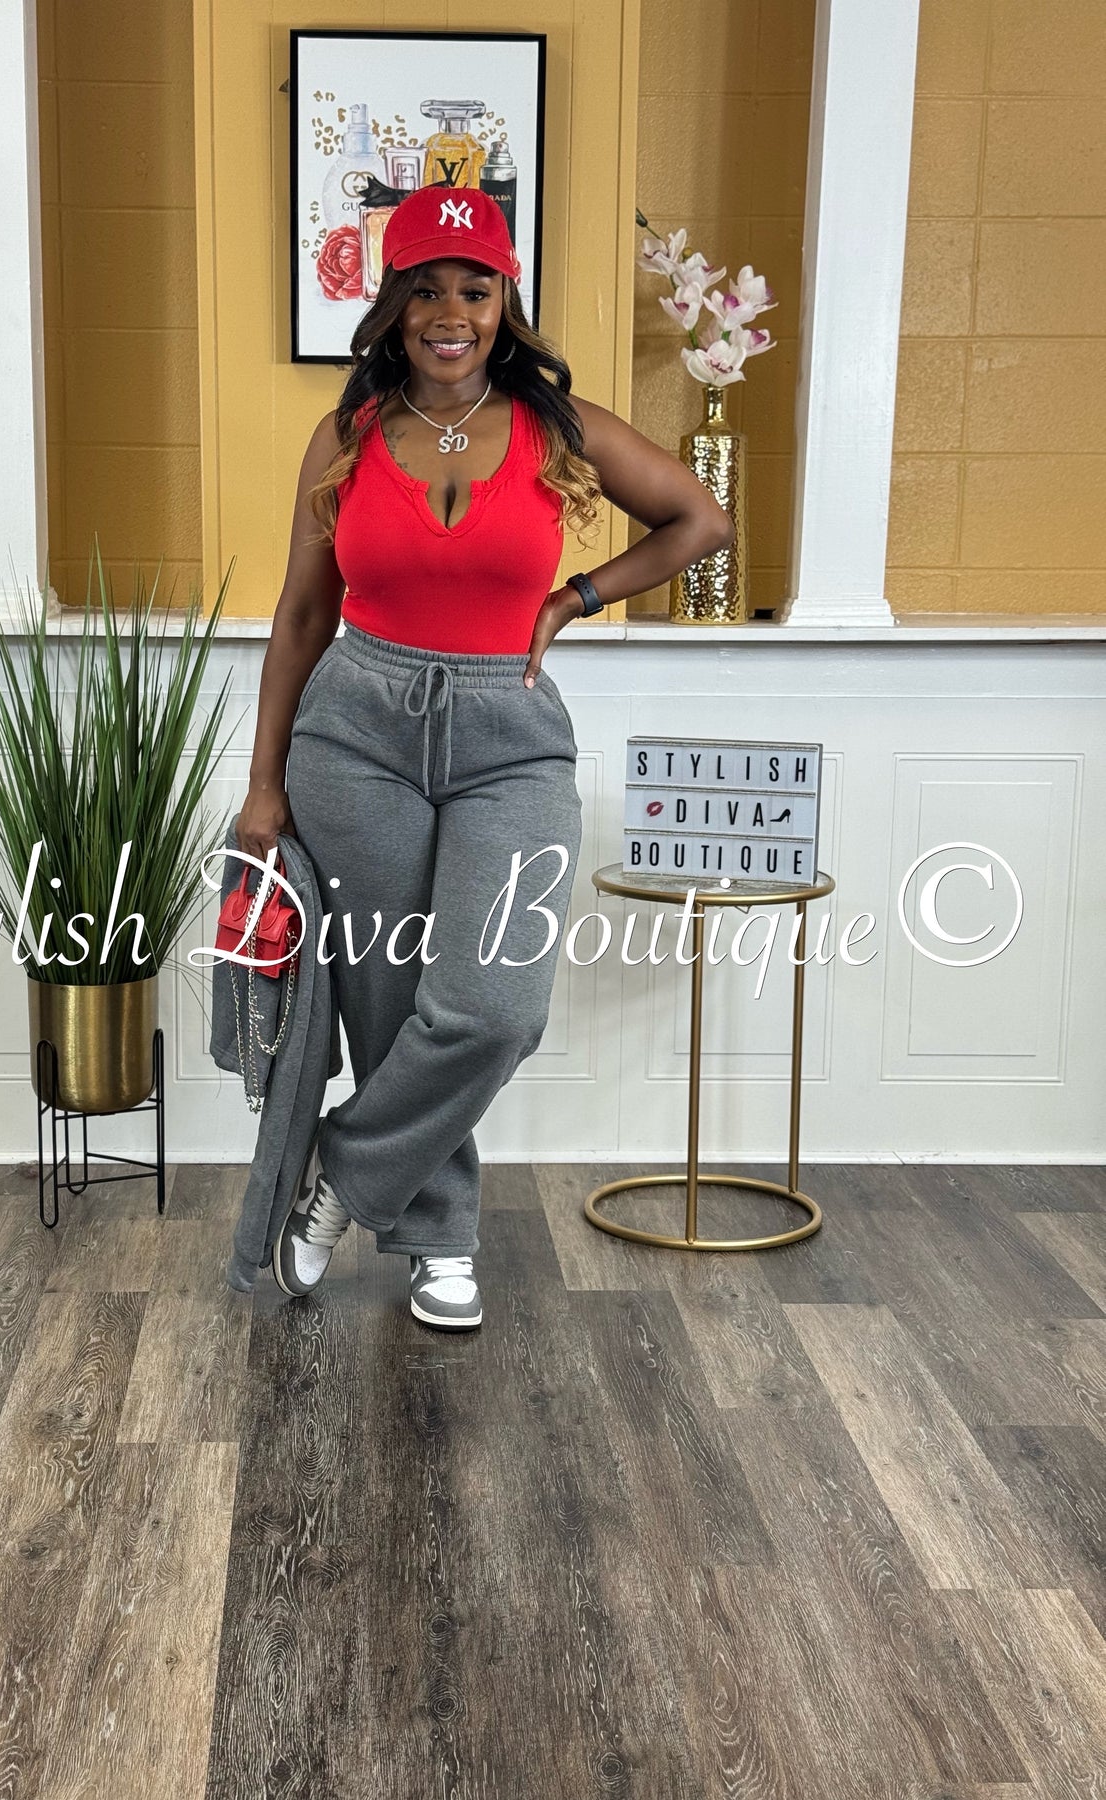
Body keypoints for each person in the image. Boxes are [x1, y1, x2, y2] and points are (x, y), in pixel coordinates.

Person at [238, 184, 732, 1330]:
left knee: (493, 1006)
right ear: (395, 307)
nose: (450, 312)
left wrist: (574, 599)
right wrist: (264, 785)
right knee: (388, 1005)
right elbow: (302, 615)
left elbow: (701, 519)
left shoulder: (560, 428)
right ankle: (440, 1242)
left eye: (475, 287)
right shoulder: (348, 435)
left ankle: (339, 1174)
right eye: (426, 290)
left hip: (509, 741)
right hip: (354, 732)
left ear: (506, 301)